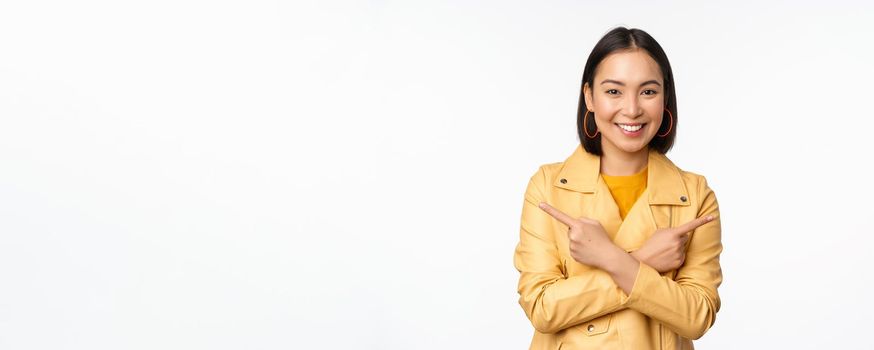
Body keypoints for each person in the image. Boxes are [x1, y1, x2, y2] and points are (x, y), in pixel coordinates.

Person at [513, 27, 723, 349]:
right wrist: (644, 259)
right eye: (614, 91)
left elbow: (697, 316)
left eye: (648, 92)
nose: (632, 109)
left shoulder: (695, 195)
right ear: (589, 97)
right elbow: (542, 309)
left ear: (665, 97)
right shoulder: (548, 187)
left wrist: (611, 259)